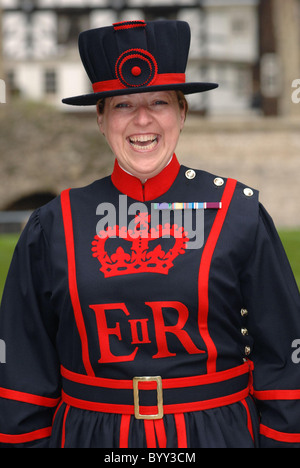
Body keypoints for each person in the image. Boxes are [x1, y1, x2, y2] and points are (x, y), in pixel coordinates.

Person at [0, 19, 299, 449]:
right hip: (91, 436)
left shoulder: (239, 213)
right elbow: (22, 365)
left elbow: (285, 355)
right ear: (100, 119)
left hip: (217, 434)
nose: (142, 119)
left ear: (182, 112)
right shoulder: (54, 223)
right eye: (122, 105)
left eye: (158, 101)